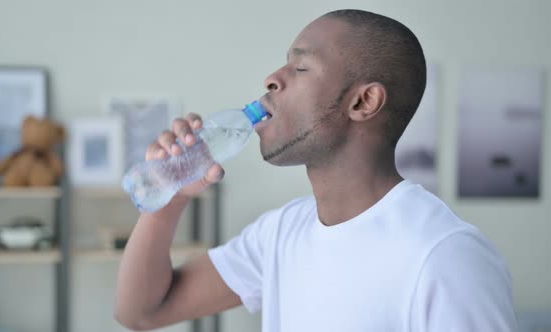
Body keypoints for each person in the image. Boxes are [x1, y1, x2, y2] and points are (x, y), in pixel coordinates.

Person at [114, 9, 517, 332]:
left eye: (301, 68)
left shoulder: (445, 256)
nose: (272, 79)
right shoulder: (280, 232)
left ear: (363, 102)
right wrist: (170, 195)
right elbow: (142, 313)